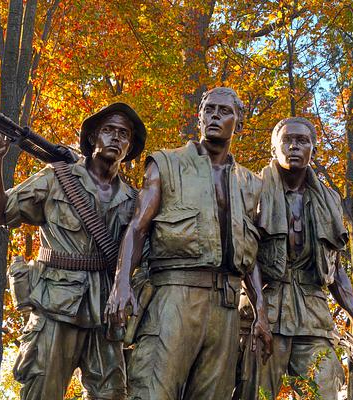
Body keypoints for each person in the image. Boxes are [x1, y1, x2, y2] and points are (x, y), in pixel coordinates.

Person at [104, 87, 272, 400]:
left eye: (224, 111)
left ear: (240, 122)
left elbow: (250, 255)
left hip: (226, 307)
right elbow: (138, 228)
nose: (215, 117)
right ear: (199, 117)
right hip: (174, 296)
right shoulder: (166, 164)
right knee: (152, 392)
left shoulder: (251, 183)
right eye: (209, 110)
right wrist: (121, 284)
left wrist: (261, 312)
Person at [0, 103, 146, 400]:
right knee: (42, 392)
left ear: (130, 147)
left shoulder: (134, 200)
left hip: (106, 314)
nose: (116, 138)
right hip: (55, 306)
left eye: (124, 134)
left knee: (113, 395)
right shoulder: (56, 178)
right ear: (93, 137)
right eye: (108, 130)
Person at [245, 116, 353, 399]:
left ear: (312, 150)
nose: (294, 146)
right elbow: (247, 258)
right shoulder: (253, 191)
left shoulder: (328, 201)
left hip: (313, 314)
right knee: (254, 393)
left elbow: (336, 272)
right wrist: (259, 313)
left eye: (302, 141)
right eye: (287, 140)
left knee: (325, 386)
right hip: (266, 310)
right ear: (274, 149)